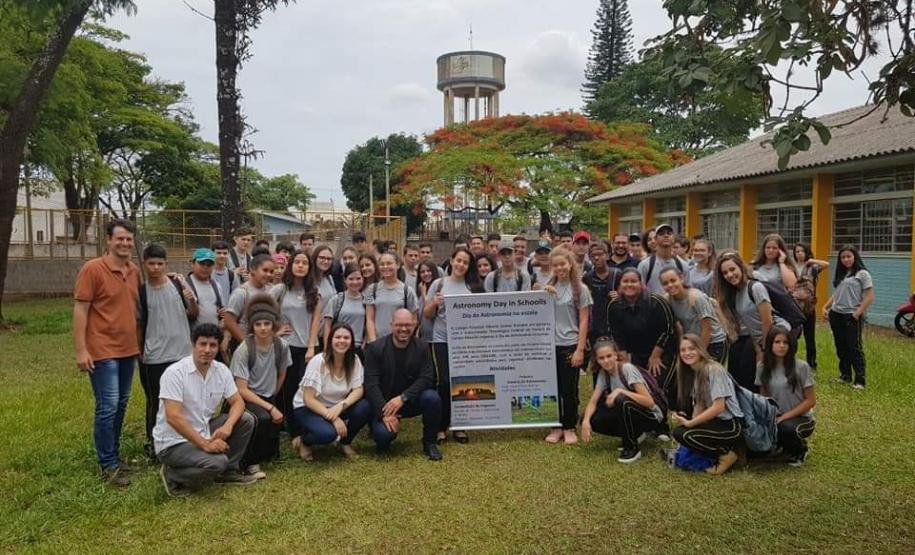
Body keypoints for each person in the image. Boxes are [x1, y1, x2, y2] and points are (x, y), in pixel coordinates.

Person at [73, 219, 141, 487]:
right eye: (119, 239)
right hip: (102, 350)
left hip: (128, 349)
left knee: (121, 403)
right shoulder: (93, 269)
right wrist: (81, 350)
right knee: (108, 405)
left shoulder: (133, 270)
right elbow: (81, 309)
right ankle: (108, 464)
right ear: (108, 241)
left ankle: (114, 456)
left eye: (128, 239)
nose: (124, 243)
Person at [154, 323, 257, 497]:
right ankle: (173, 476)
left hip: (203, 429)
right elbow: (173, 417)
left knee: (245, 419)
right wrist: (205, 444)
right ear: (193, 345)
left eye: (213, 345)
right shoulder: (175, 373)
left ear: (218, 347)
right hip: (173, 442)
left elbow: (238, 402)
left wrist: (227, 427)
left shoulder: (221, 370)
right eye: (203, 344)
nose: (207, 350)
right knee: (217, 462)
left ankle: (228, 472)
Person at [138, 244, 196, 458]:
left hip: (181, 353)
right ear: (144, 264)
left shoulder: (177, 283)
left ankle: (183, 438)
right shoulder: (141, 291)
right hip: (154, 357)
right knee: (156, 401)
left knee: (185, 398)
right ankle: (153, 442)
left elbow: (193, 313)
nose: (155, 268)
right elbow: (139, 324)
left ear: (166, 264)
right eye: (151, 263)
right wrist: (140, 351)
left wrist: (190, 297)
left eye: (159, 263)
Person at [364, 309, 443, 460]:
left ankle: (430, 443)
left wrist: (403, 397)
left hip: (410, 401)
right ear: (391, 325)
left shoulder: (422, 347)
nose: (404, 329)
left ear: (414, 325)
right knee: (383, 434)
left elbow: (427, 378)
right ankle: (383, 443)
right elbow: (371, 384)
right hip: (385, 404)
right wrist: (384, 414)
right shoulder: (375, 348)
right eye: (399, 325)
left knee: (432, 398)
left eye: (408, 325)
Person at [424, 246, 482, 443]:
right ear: (451, 260)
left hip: (465, 343)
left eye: (465, 262)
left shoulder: (473, 288)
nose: (461, 265)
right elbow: (427, 314)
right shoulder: (438, 284)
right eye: (459, 260)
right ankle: (442, 426)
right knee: (445, 382)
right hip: (442, 340)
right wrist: (434, 303)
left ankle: (460, 426)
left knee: (464, 383)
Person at [230, 295, 290, 479]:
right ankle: (250, 462)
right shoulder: (245, 349)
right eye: (258, 324)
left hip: (268, 394)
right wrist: (270, 406)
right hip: (248, 396)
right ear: (252, 326)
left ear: (273, 325)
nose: (263, 328)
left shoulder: (281, 345)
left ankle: (265, 453)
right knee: (263, 418)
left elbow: (282, 373)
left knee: (273, 434)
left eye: (267, 323)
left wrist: (272, 395)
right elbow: (241, 388)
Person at [292, 323, 371, 461]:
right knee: (328, 434)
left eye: (346, 338)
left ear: (351, 341)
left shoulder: (354, 360)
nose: (342, 341)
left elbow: (358, 389)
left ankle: (345, 443)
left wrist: (341, 406)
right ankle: (304, 441)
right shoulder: (318, 362)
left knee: (365, 407)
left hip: (336, 406)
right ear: (330, 340)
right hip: (308, 407)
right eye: (337, 337)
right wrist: (333, 417)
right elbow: (308, 399)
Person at [605, 268, 678, 416]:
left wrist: (655, 356)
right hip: (634, 352)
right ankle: (642, 421)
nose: (629, 285)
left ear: (641, 283)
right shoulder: (614, 306)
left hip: (661, 351)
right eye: (625, 281)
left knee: (657, 386)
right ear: (619, 285)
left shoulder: (657, 302)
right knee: (638, 386)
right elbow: (615, 333)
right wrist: (624, 359)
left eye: (633, 281)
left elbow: (669, 329)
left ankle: (661, 426)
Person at [716, 250, 790, 391]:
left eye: (732, 269)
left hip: (770, 336)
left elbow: (767, 321)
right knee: (734, 368)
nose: (730, 275)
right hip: (754, 338)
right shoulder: (734, 293)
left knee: (749, 373)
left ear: (741, 268)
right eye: (725, 273)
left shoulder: (755, 287)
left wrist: (762, 350)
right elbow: (748, 325)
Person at [581, 339, 665, 463]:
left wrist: (621, 391)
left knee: (621, 400)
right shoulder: (603, 374)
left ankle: (632, 448)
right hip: (629, 413)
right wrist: (586, 421)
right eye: (601, 358)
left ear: (616, 355)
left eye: (609, 356)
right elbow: (593, 401)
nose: (606, 361)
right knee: (593, 419)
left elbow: (649, 402)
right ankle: (634, 434)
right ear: (597, 360)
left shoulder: (627, 369)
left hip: (651, 416)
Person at [671, 334, 744, 475]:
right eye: (683, 350)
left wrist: (690, 425)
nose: (687, 353)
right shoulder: (697, 372)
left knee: (685, 434)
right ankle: (716, 453)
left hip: (731, 425)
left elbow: (719, 407)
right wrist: (688, 423)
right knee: (682, 433)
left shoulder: (713, 369)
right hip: (716, 422)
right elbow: (699, 405)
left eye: (692, 348)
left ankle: (728, 454)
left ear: (700, 350)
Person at [543, 247, 593, 445]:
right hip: (548, 345)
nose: (559, 268)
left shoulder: (580, 289)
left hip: (570, 344)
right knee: (552, 387)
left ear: (570, 264)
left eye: (563, 264)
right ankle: (556, 426)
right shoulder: (548, 286)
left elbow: (583, 321)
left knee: (569, 389)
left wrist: (580, 350)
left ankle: (569, 426)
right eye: (555, 265)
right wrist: (542, 293)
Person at [271, 250, 321, 436]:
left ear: (309, 268)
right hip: (286, 346)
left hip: (307, 348)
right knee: (289, 388)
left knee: (306, 388)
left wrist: (311, 347)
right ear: (291, 265)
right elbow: (261, 309)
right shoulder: (280, 289)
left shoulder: (314, 292)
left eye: (305, 263)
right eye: (297, 262)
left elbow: (316, 321)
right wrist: (275, 331)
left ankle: (305, 424)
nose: (300, 266)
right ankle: (292, 429)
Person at [756, 327, 816, 466]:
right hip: (776, 415)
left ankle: (800, 450)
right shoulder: (762, 367)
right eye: (777, 342)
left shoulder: (801, 367)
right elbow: (763, 396)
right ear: (770, 344)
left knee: (785, 428)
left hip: (801, 417)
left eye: (785, 342)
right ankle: (779, 447)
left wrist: (784, 417)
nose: (781, 346)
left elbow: (810, 401)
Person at [823, 245, 874, 389]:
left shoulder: (862, 274)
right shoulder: (841, 274)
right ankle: (845, 375)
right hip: (836, 314)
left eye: (848, 256)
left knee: (854, 347)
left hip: (851, 315)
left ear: (855, 257)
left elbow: (870, 296)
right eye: (843, 257)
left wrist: (857, 313)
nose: (846, 259)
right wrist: (825, 307)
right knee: (841, 346)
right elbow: (837, 294)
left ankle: (859, 380)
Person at [660, 267, 728, 363]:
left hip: (712, 342)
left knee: (710, 375)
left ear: (681, 278)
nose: (670, 285)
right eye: (665, 283)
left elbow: (707, 328)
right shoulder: (668, 300)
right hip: (692, 344)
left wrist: (700, 353)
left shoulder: (696, 297)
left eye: (673, 280)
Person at [224, 253, 275, 352]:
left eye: (271, 271)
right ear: (253, 269)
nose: (268, 274)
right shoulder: (241, 293)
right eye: (265, 270)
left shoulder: (272, 290)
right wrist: (245, 343)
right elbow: (229, 321)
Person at [792, 242, 830, 370]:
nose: (799, 254)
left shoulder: (812, 268)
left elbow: (826, 264)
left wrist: (811, 260)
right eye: (797, 251)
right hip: (794, 306)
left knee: (810, 336)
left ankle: (812, 364)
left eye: (802, 251)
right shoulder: (791, 267)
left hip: (808, 307)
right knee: (792, 335)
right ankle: (790, 360)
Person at [365, 252, 418, 342]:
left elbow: (414, 319)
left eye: (389, 263)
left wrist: (405, 338)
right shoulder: (371, 289)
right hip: (378, 341)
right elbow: (369, 318)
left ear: (397, 265)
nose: (385, 267)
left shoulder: (408, 291)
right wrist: (373, 342)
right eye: (382, 264)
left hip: (400, 342)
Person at [583, 241, 620, 352]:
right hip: (594, 328)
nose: (597, 258)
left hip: (615, 327)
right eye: (593, 255)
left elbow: (629, 297)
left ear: (607, 255)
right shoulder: (587, 278)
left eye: (600, 254)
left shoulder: (617, 274)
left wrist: (620, 296)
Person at [323, 263, 367, 357]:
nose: (355, 282)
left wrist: (364, 344)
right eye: (351, 279)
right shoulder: (337, 299)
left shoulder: (366, 301)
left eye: (358, 278)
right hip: (338, 345)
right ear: (345, 280)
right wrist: (327, 348)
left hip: (357, 347)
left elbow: (368, 324)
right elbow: (327, 325)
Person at [637, 223, 688, 295]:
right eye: (661, 234)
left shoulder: (683, 265)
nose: (666, 235)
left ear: (673, 239)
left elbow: (688, 290)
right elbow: (638, 291)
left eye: (669, 233)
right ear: (655, 239)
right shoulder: (645, 265)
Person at [187, 248, 223, 328]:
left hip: (214, 336)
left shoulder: (216, 285)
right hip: (193, 336)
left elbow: (219, 310)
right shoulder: (184, 284)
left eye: (209, 265)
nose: (205, 267)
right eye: (202, 264)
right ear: (192, 264)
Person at [415, 261, 439, 340]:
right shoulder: (422, 289)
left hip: (434, 337)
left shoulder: (438, 289)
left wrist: (424, 295)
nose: (426, 274)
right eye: (422, 272)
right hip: (423, 336)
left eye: (428, 271)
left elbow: (430, 314)